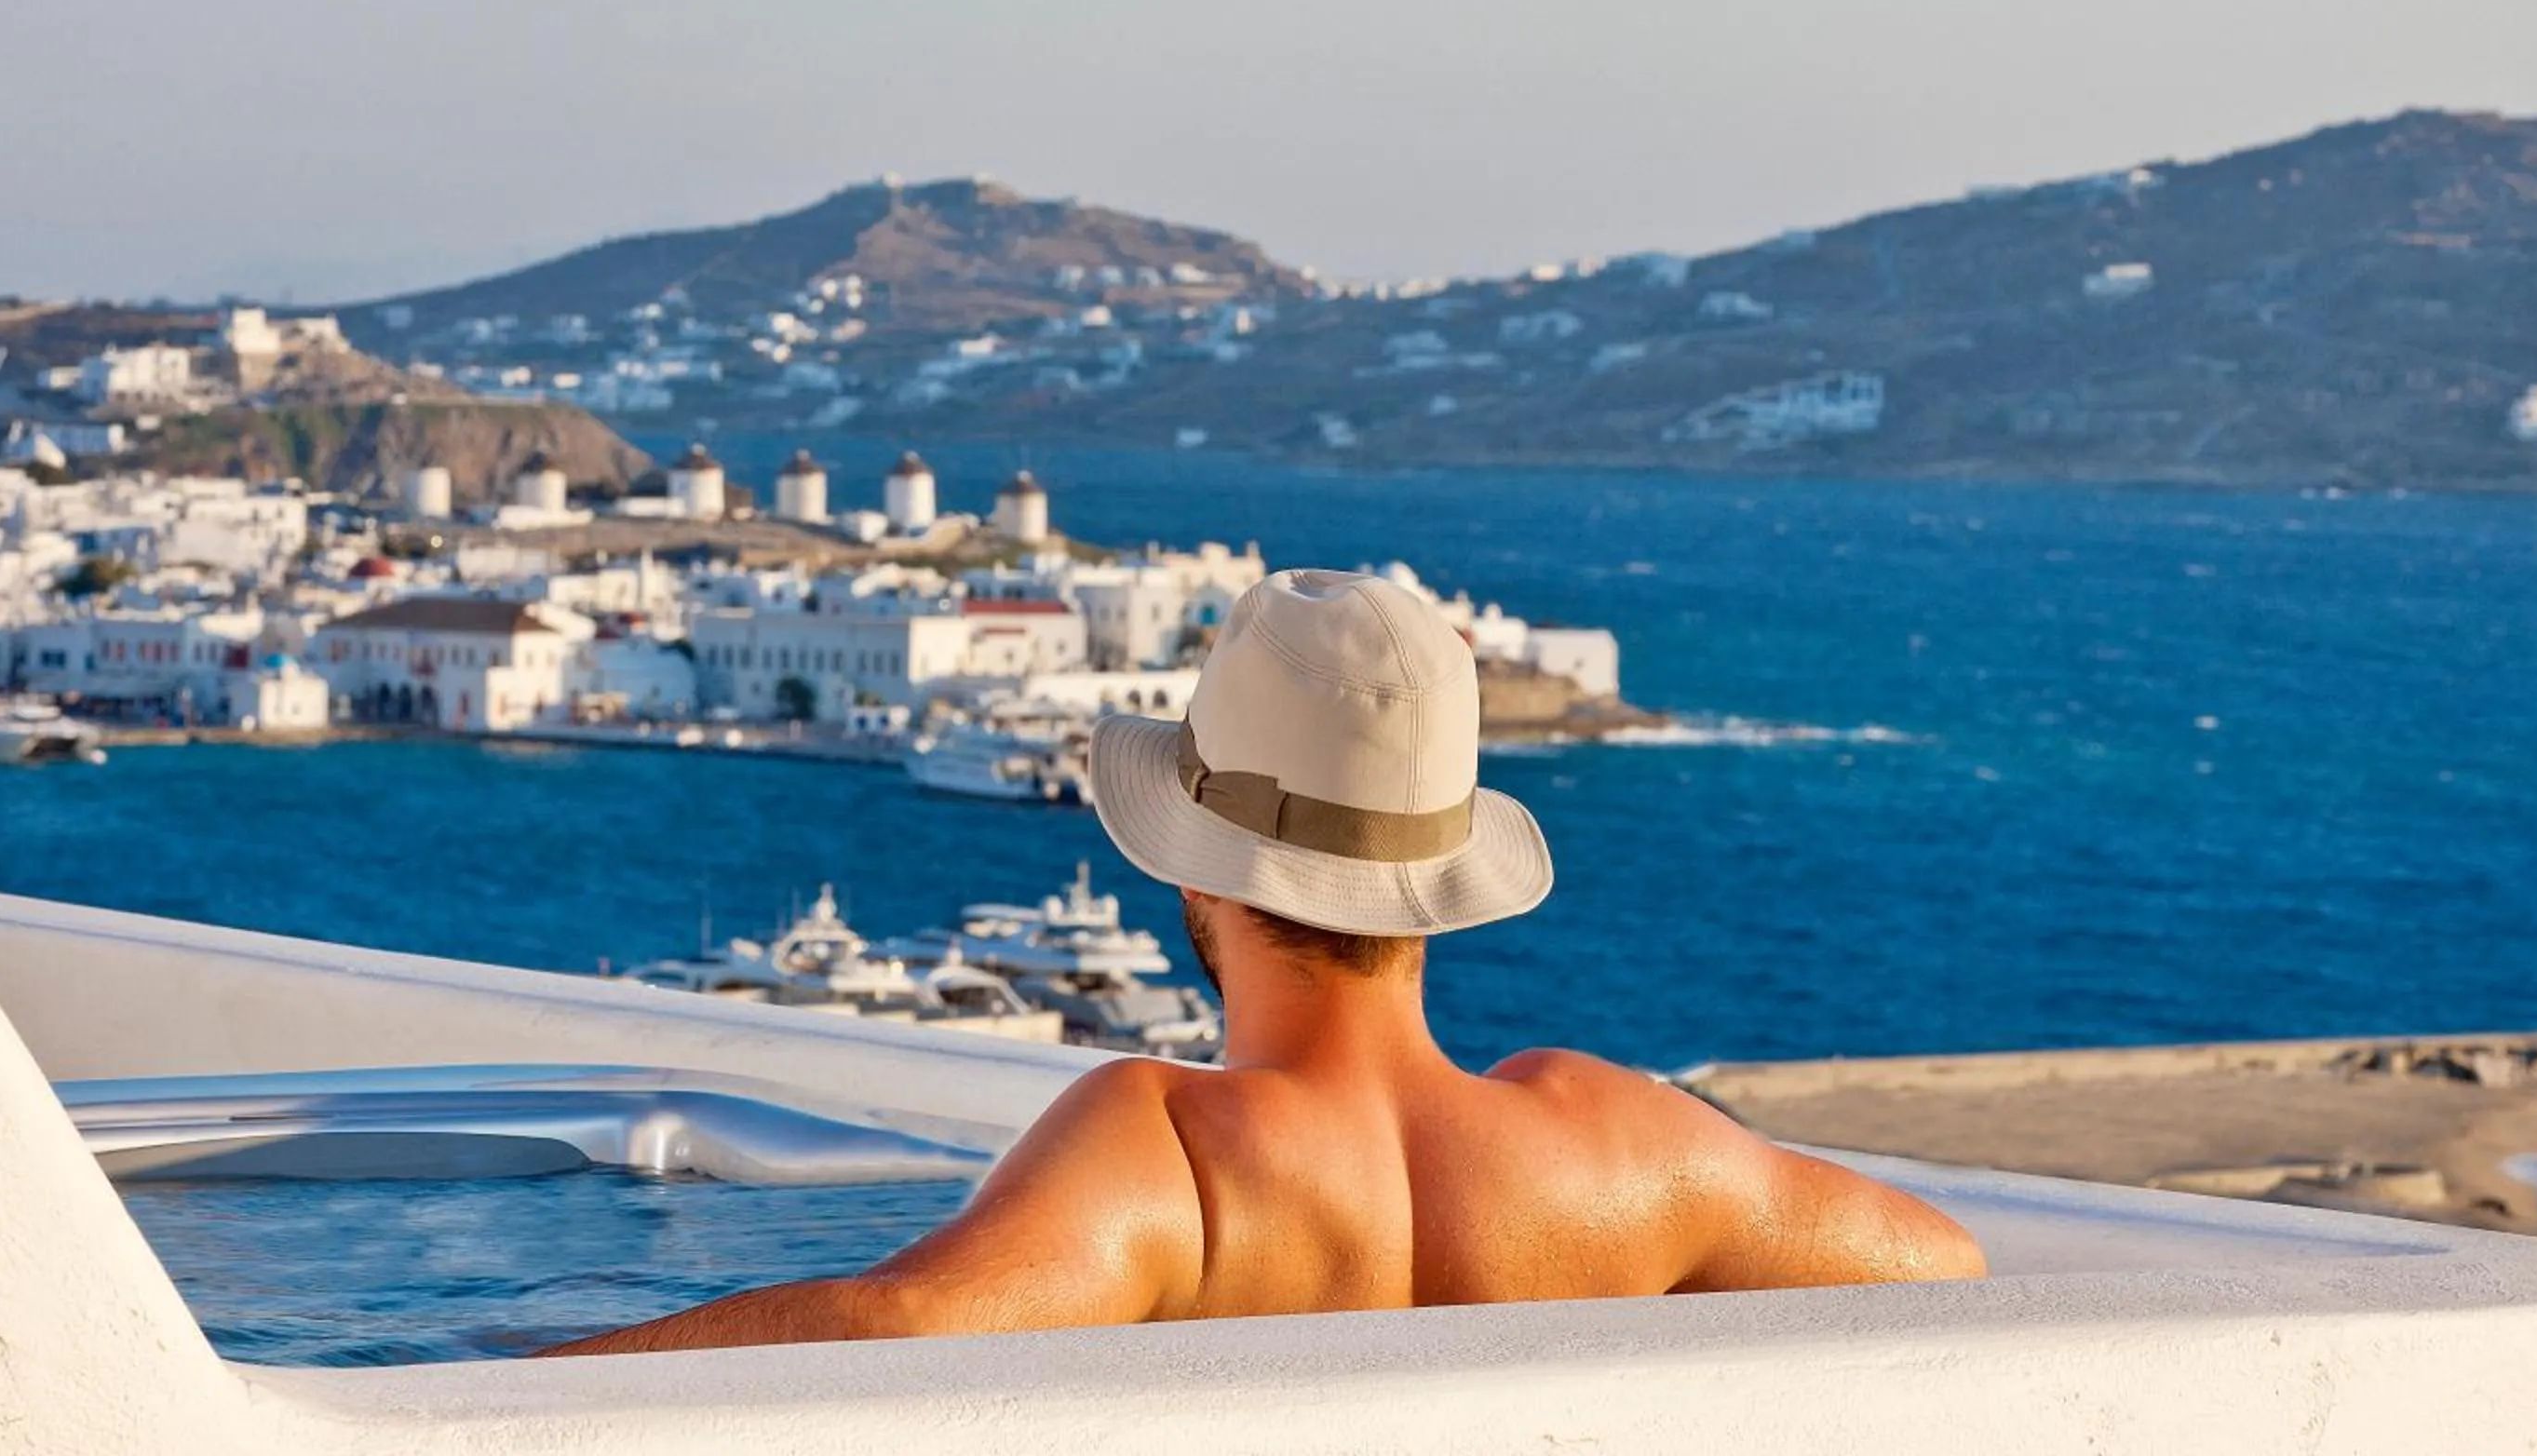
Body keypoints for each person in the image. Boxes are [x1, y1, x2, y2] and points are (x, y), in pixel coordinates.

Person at [541, 569, 1981, 1355]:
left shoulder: (1169, 1148)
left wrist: (500, 1385)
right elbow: (1941, 1261)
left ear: (1194, 870)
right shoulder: (1618, 1145)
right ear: (1440, 877)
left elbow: (902, 1324)